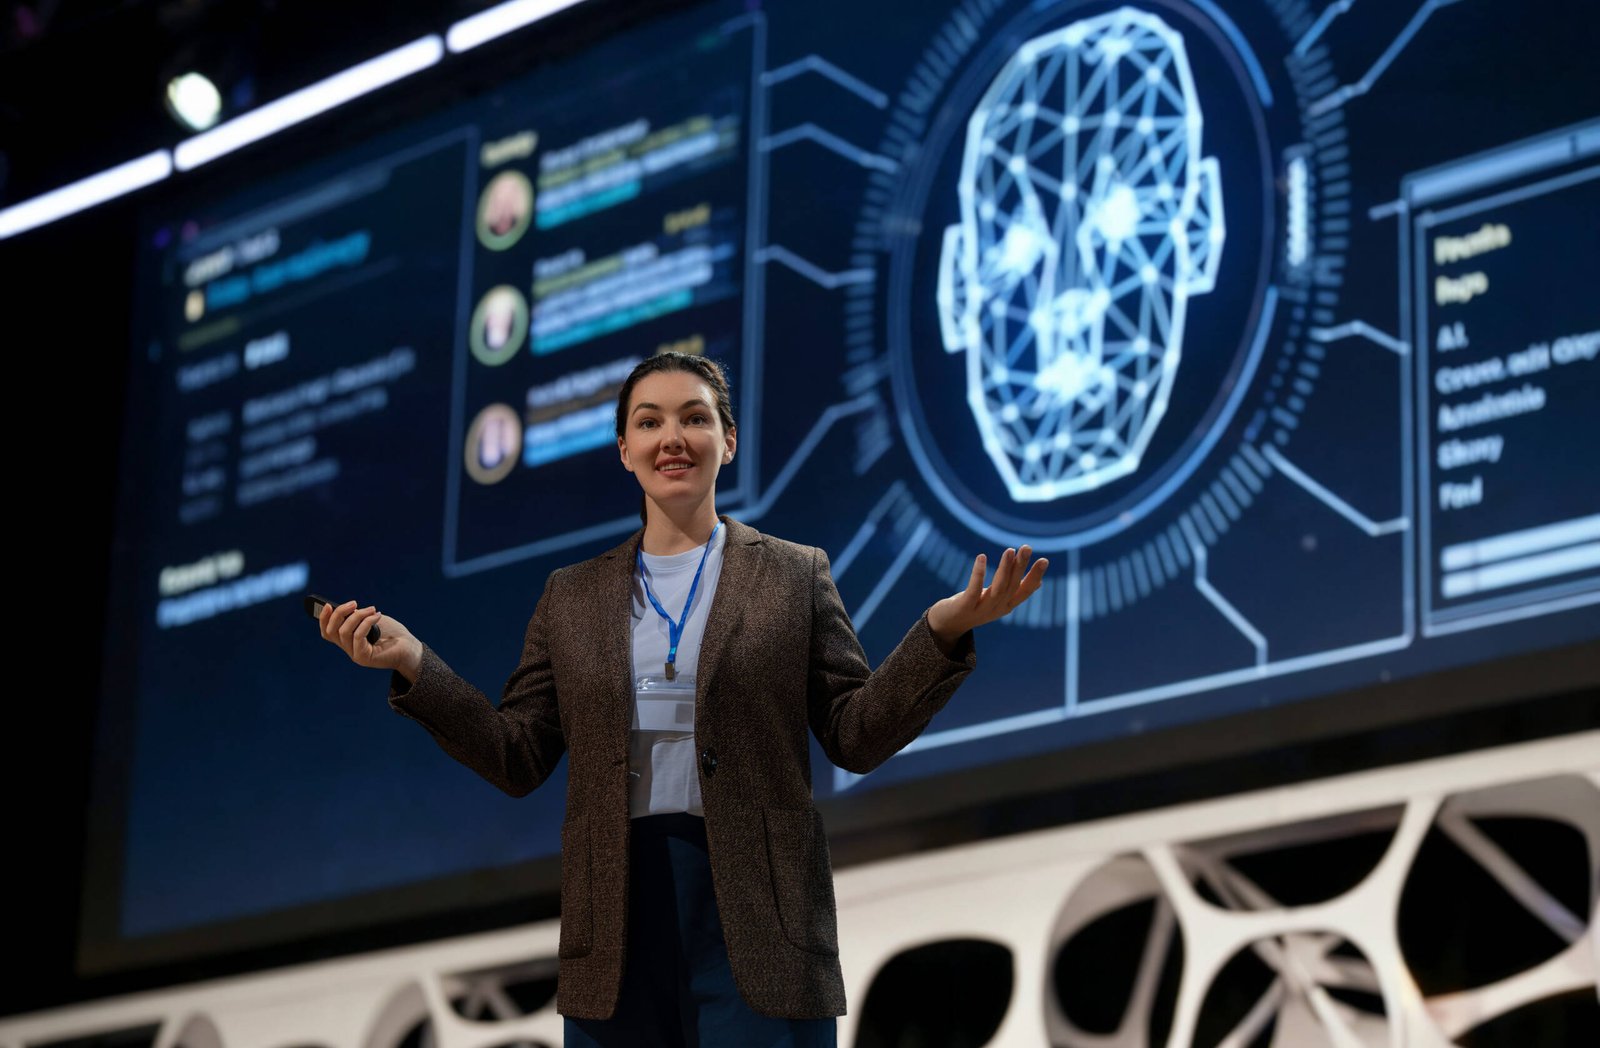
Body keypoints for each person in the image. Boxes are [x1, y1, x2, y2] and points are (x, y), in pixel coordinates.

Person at [317, 351, 1049, 1046]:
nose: (672, 437)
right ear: (624, 450)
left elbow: (855, 733)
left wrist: (940, 633)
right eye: (649, 421)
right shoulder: (571, 596)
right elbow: (518, 756)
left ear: (727, 441)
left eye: (694, 418)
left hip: (760, 915)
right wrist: (416, 664)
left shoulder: (794, 575)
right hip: (615, 921)